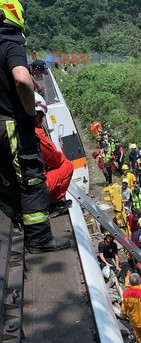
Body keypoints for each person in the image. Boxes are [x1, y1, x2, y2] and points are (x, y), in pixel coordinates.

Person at [0, 1, 70, 253]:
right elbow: (20, 78)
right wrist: (30, 111)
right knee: (31, 178)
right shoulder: (10, 44)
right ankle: (40, 239)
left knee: (9, 174)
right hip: (12, 124)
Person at [34, 93, 73, 218]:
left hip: (17, 186)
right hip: (35, 188)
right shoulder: (35, 133)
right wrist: (61, 155)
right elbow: (55, 160)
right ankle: (54, 204)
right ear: (37, 116)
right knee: (67, 166)